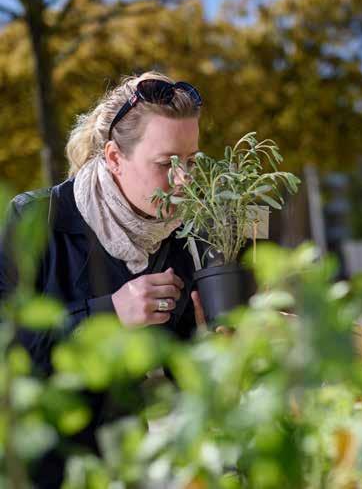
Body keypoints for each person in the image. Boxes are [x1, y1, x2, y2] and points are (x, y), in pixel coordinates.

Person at [0, 71, 207, 487]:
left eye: (190, 161)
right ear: (114, 158)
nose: (184, 180)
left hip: (128, 468)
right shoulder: (37, 219)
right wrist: (110, 312)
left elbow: (182, 380)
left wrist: (211, 345)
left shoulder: (185, 237)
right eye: (167, 163)